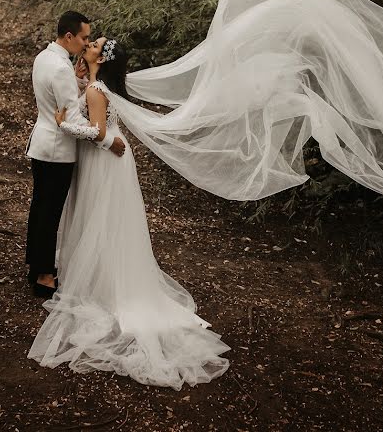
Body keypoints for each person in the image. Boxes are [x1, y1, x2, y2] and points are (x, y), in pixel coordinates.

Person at [28, 36, 231, 390]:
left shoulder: (95, 88)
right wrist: (81, 82)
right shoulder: (100, 85)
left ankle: (102, 282)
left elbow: (98, 132)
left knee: (101, 219)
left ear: (100, 59)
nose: (89, 44)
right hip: (111, 162)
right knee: (109, 222)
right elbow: (100, 115)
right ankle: (107, 272)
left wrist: (63, 126)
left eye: (94, 44)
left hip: (103, 158)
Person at [24, 11, 125, 299]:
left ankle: (37, 267)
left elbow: (62, 99)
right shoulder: (60, 68)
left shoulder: (46, 58)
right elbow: (75, 122)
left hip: (43, 144)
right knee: (49, 213)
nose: (86, 43)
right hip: (58, 149)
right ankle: (44, 276)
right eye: (83, 37)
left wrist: (78, 81)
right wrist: (108, 142)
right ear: (69, 36)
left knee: (40, 208)